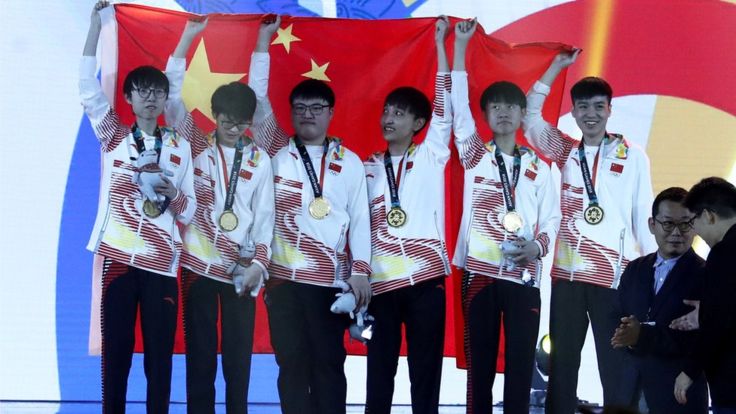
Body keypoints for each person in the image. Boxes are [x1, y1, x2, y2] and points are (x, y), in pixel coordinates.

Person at [248, 16, 372, 414]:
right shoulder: (275, 150)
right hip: (284, 280)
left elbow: (361, 220)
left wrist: (361, 272)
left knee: (329, 367)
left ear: (331, 113)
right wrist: (263, 42)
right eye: (299, 108)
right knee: (291, 367)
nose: (307, 114)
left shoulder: (350, 162)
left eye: (316, 108)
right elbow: (255, 97)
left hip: (329, 284)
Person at [523, 50, 657, 413]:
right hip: (566, 276)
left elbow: (642, 216)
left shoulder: (632, 156)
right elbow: (530, 119)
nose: (591, 114)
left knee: (615, 365)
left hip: (613, 278)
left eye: (598, 107)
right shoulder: (566, 152)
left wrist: (651, 277)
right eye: (583, 108)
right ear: (575, 112)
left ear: (610, 109)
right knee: (562, 364)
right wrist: (555, 68)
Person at [80, 2, 196, 412]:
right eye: (142, 92)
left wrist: (170, 192)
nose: (151, 98)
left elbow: (189, 212)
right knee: (117, 359)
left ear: (166, 99)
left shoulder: (181, 146)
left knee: (160, 365)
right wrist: (95, 26)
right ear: (128, 99)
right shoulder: (114, 137)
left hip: (163, 266)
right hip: (120, 261)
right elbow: (87, 89)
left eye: (157, 92)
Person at [164, 19, 275, 414]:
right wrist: (188, 38)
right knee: (200, 360)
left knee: (238, 363)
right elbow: (171, 97)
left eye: (241, 122)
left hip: (240, 271)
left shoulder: (260, 158)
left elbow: (266, 217)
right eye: (226, 120)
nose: (233, 128)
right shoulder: (195, 143)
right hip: (197, 266)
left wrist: (259, 265)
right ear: (214, 114)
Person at [451, 19, 560, 414]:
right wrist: (461, 48)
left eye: (511, 107)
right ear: (486, 114)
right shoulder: (474, 155)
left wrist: (536, 246)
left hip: (525, 276)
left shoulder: (540, 168)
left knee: (519, 366)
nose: (503, 113)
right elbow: (456, 106)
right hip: (480, 274)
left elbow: (552, 220)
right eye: (495, 107)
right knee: (479, 368)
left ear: (520, 114)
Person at [361, 16, 452, 414]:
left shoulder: (432, 156)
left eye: (399, 113)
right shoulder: (364, 168)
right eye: (387, 111)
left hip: (425, 283)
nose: (389, 119)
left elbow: (445, 109)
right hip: (380, 284)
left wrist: (443, 47)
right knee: (378, 372)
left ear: (418, 124)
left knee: (425, 373)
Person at [611, 187, 707, 414]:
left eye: (685, 224)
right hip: (629, 391)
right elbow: (617, 317)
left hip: (678, 395)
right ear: (652, 225)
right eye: (667, 223)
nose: (676, 232)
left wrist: (642, 335)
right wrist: (628, 335)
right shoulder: (635, 269)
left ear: (695, 225)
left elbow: (702, 339)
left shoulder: (706, 274)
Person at [671, 177, 736, 414]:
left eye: (692, 221)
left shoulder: (724, 253)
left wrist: (689, 372)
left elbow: (718, 322)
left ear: (709, 215)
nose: (694, 231)